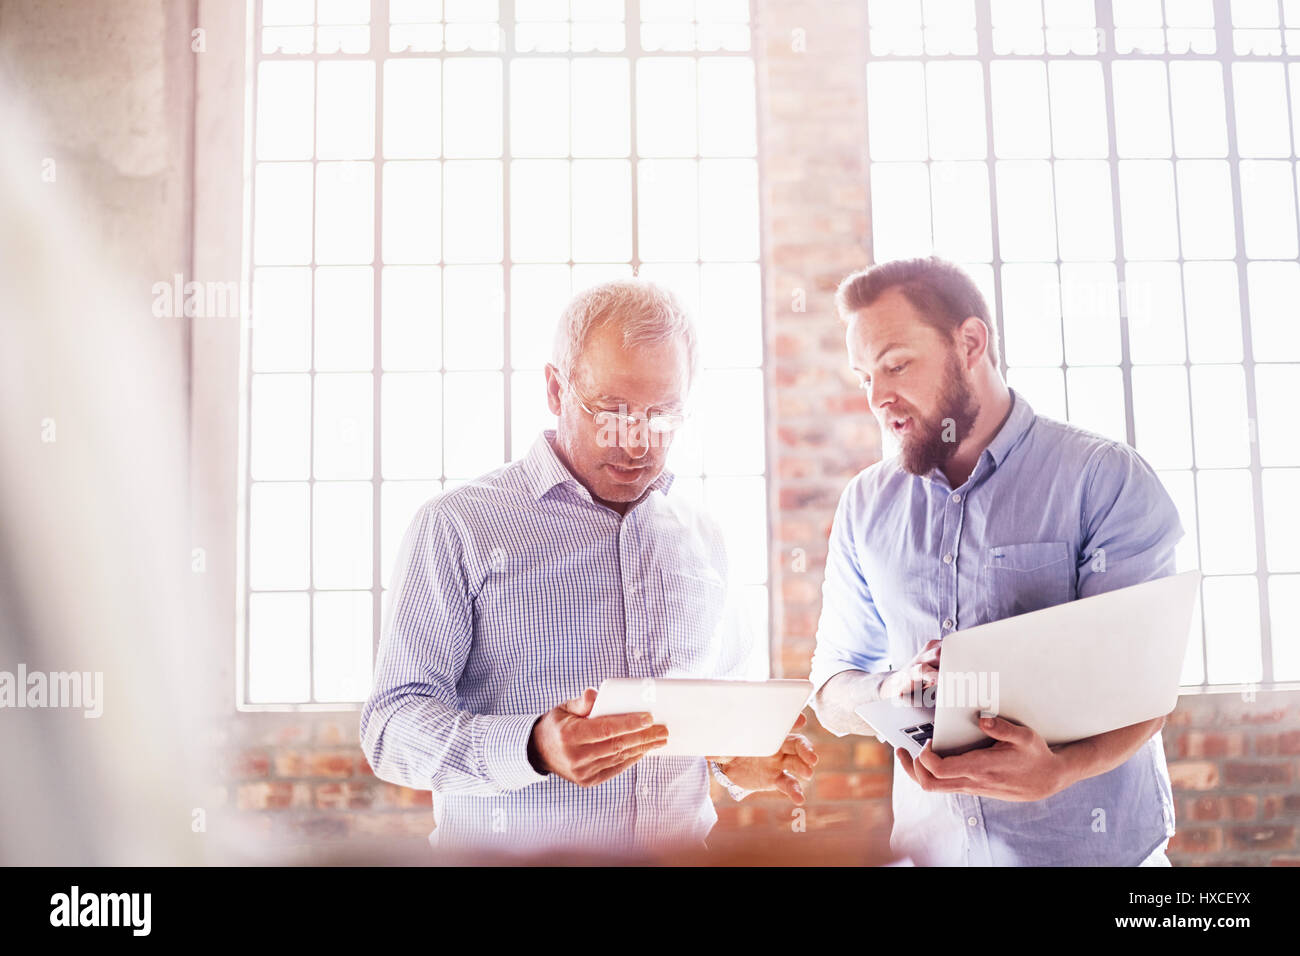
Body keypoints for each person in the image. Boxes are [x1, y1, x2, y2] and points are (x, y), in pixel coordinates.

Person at [361, 278, 816, 857]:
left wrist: (738, 760)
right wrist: (533, 747)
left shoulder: (706, 539)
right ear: (556, 389)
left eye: (662, 413)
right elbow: (390, 728)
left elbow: (714, 715)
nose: (635, 441)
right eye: (612, 409)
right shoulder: (458, 528)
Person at [811, 256, 1180, 866]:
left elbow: (1145, 688)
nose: (877, 397)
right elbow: (830, 690)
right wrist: (891, 688)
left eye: (896, 365)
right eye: (863, 377)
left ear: (970, 342)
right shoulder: (865, 506)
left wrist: (1060, 771)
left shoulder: (1101, 478)